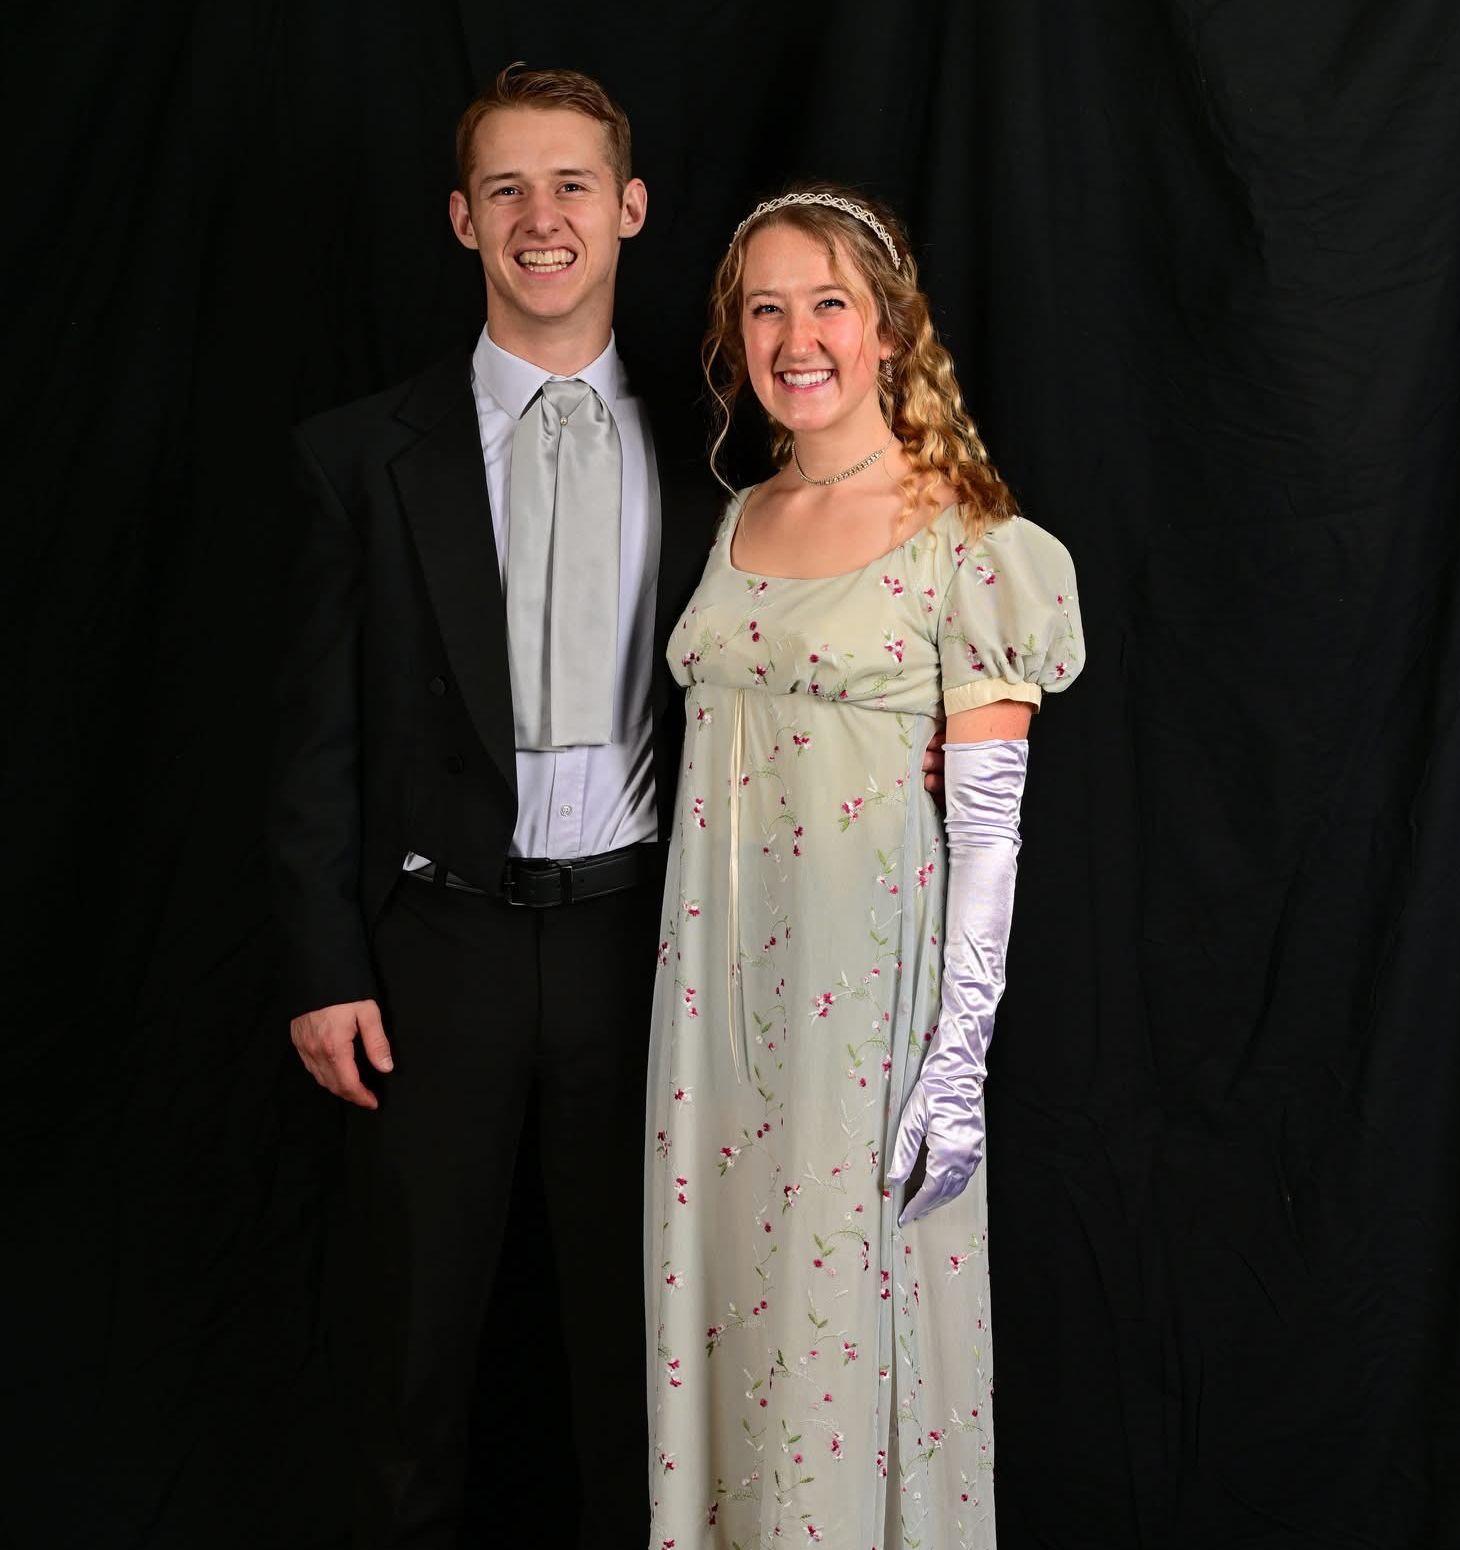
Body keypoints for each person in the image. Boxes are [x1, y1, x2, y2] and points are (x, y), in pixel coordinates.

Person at [270, 72, 948, 1547]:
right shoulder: (358, 457)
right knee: (407, 1350)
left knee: (652, 1350)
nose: (543, 218)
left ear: (629, 208)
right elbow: (313, 737)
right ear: (463, 221)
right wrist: (324, 963)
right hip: (430, 951)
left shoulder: (728, 457)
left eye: (573, 184)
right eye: (506, 189)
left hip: (649, 950)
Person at [644, 184, 1086, 1548]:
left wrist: (956, 1062)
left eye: (827, 303)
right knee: (728, 1309)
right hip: (714, 1012)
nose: (797, 338)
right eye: (765, 308)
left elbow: (992, 834)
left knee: (839, 1330)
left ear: (890, 329)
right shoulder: (736, 518)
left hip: (863, 1019)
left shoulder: (972, 542)